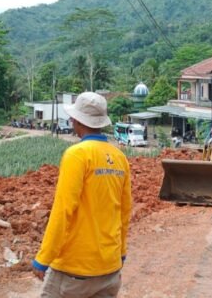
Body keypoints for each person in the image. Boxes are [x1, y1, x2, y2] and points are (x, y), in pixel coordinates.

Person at [32, 92, 132, 298]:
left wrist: (44, 258)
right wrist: (120, 253)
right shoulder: (120, 158)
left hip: (75, 269)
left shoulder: (77, 155)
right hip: (110, 267)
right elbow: (124, 212)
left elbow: (63, 210)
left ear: (77, 121)